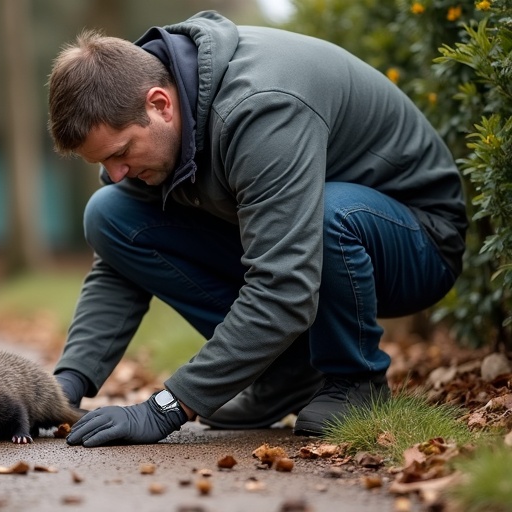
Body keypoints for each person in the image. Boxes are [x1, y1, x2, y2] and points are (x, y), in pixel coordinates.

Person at [47, 11, 467, 447]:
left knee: (329, 215)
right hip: (313, 238)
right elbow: (120, 263)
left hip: (415, 240)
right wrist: (59, 391)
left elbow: (284, 286)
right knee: (110, 214)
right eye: (103, 163)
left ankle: (354, 380)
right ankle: (286, 372)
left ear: (159, 104)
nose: (116, 172)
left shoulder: (260, 109)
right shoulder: (154, 129)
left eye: (121, 153)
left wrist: (167, 408)